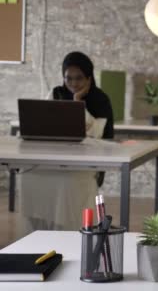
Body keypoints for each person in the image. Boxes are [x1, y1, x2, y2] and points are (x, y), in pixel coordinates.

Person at [19, 51, 114, 235]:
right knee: (29, 175)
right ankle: (37, 230)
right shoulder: (56, 93)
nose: (73, 83)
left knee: (68, 179)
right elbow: (42, 123)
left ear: (89, 77)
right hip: (54, 156)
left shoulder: (99, 100)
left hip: (85, 161)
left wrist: (77, 102)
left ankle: (70, 232)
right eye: (68, 78)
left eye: (79, 78)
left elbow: (96, 134)